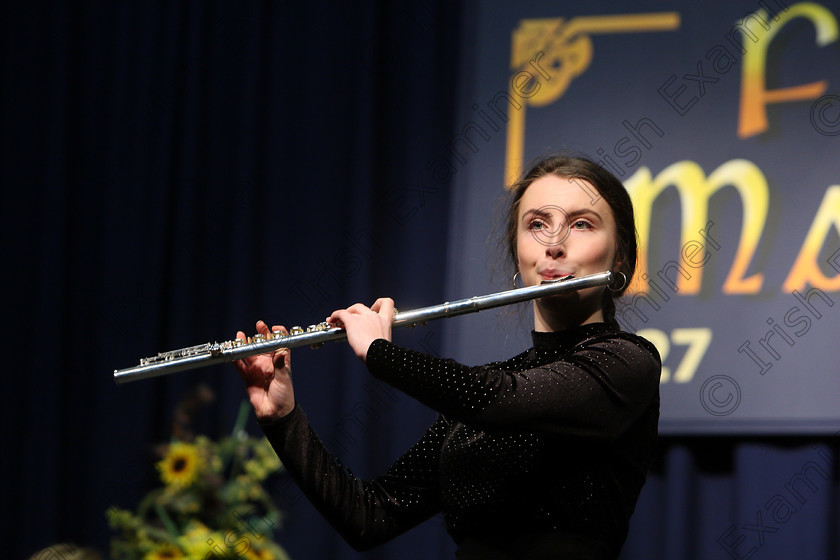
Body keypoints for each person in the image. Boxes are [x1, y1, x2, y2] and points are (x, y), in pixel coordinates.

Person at [234, 154, 661, 560]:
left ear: (620, 254)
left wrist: (380, 353)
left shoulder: (626, 361)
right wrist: (283, 418)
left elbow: (497, 399)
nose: (554, 244)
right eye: (537, 224)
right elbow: (370, 517)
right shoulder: (484, 392)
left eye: (581, 224)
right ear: (518, 252)